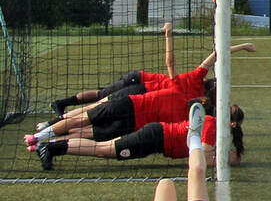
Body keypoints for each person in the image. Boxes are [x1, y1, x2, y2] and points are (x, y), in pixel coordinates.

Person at [28, 41, 255, 142]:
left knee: (94, 126)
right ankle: (49, 128)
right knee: (93, 109)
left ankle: (51, 140)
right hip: (136, 91)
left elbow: (215, 55)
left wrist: (242, 47)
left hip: (136, 115)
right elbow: (213, 55)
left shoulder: (194, 105)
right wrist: (241, 46)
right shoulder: (189, 83)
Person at [34, 104, 245, 170]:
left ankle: (52, 147)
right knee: (104, 149)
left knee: (104, 148)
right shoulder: (210, 124)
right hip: (154, 137)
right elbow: (204, 161)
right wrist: (221, 158)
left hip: (156, 139)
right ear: (233, 123)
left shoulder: (215, 127)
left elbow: (230, 158)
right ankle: (51, 148)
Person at [51, 22, 177, 117]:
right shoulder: (179, 83)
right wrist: (168, 35)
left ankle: (65, 108)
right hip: (136, 80)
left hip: (137, 81)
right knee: (101, 96)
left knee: (102, 95)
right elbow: (170, 63)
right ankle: (61, 104)